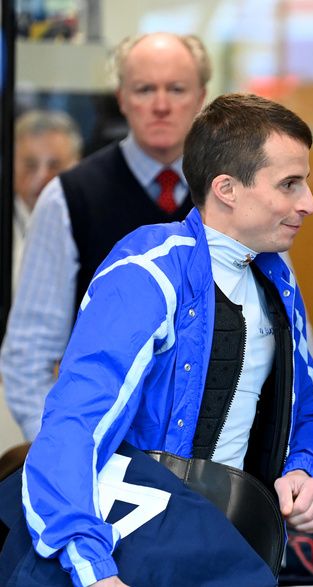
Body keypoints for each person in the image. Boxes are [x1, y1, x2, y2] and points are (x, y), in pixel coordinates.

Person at [16, 93, 313, 587]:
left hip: (231, 549)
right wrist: (92, 568)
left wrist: (305, 475)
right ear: (227, 188)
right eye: (289, 184)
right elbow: (74, 427)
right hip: (127, 555)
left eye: (305, 183)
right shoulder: (147, 271)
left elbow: (311, 413)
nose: (308, 203)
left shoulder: (277, 281)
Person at [0, 33, 210, 440]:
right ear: (121, 97)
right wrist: (65, 451)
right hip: (104, 459)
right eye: (145, 89)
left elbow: (288, 339)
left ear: (201, 97)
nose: (161, 104)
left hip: (218, 465)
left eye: (177, 89)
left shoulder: (236, 195)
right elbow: (28, 353)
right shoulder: (68, 198)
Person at [11, 109, 82, 294]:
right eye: (30, 165)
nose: (42, 177)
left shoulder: (90, 221)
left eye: (54, 165)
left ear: (77, 165)